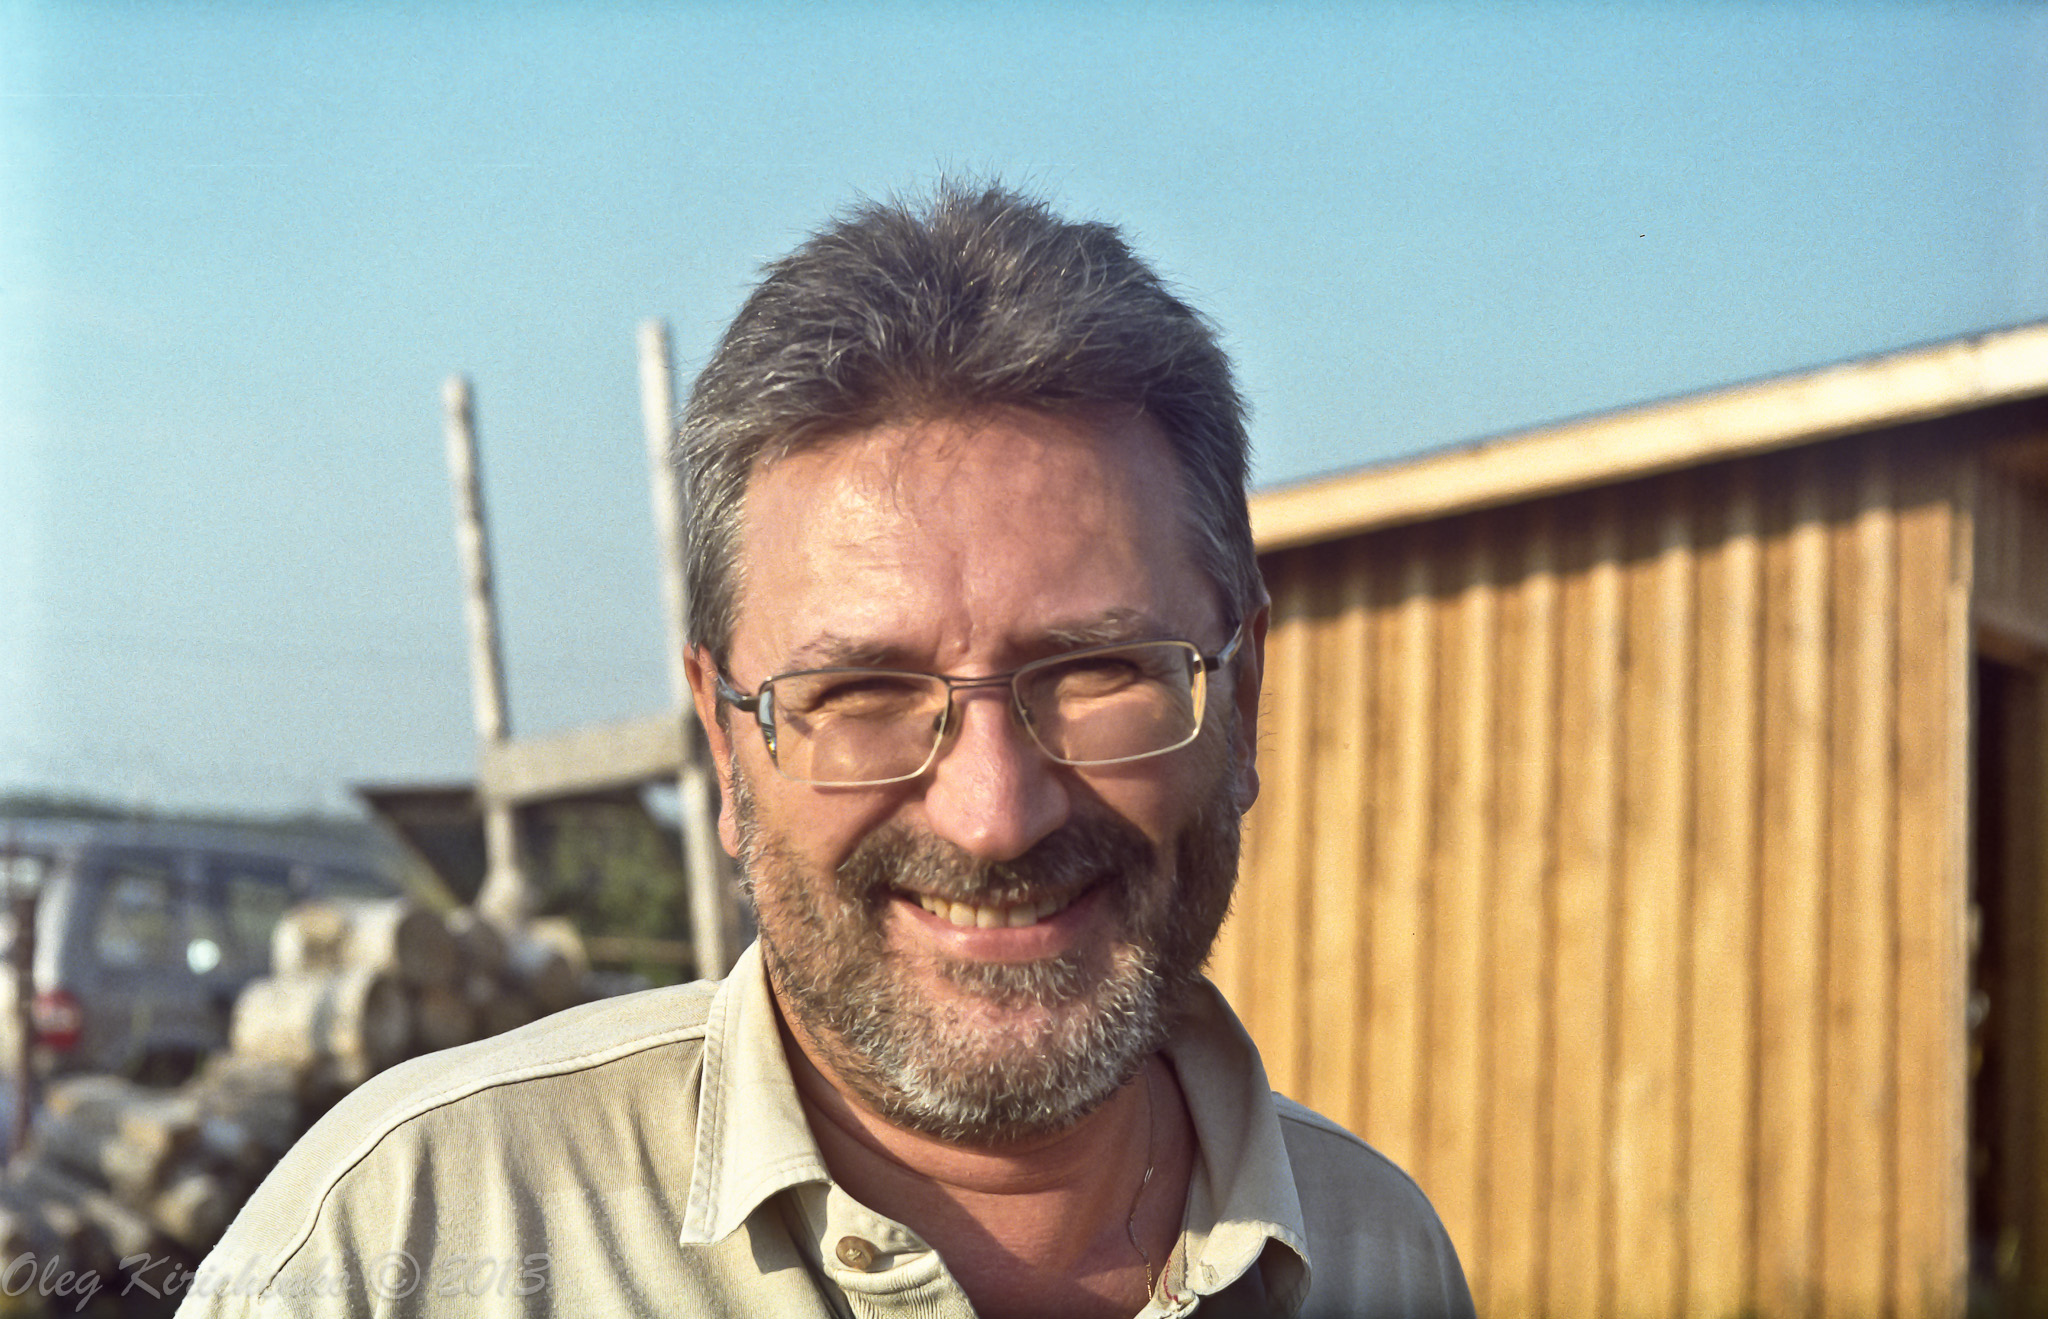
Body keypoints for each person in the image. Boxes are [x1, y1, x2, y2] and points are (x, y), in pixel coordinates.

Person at [181, 182, 1473, 1318]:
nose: (993, 813)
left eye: (1095, 671)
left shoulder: (1383, 1256)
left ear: (1242, 698)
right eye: (862, 691)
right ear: (724, 742)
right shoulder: (394, 1249)